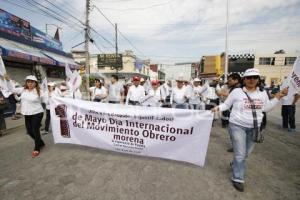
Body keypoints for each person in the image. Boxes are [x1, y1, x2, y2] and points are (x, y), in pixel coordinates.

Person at [211, 68, 288, 192]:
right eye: (249, 77)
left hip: (255, 128)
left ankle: (236, 164)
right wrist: (217, 108)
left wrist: (278, 97)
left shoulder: (262, 93)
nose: (252, 80)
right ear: (244, 79)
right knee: (240, 154)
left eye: (254, 77)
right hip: (237, 126)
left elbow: (266, 108)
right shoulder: (237, 92)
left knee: (245, 154)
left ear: (258, 80)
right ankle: (238, 178)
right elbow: (227, 104)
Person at [6, 75, 46, 158]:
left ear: (35, 83)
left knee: (35, 130)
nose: (30, 83)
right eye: (28, 82)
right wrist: (8, 81)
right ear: (26, 83)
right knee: (29, 132)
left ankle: (37, 148)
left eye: (32, 82)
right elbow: (11, 89)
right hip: (27, 113)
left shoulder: (40, 91)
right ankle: (40, 142)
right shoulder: (23, 90)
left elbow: (48, 100)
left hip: (37, 113)